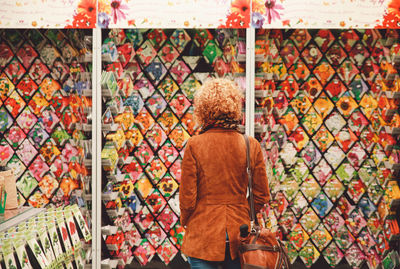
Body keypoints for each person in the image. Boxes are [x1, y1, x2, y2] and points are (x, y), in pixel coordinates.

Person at [179, 78, 270, 269]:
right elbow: (262, 194)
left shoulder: (195, 145)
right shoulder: (250, 144)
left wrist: (187, 221)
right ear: (234, 108)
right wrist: (242, 210)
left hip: (203, 233)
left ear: (203, 110)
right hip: (240, 234)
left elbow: (187, 197)